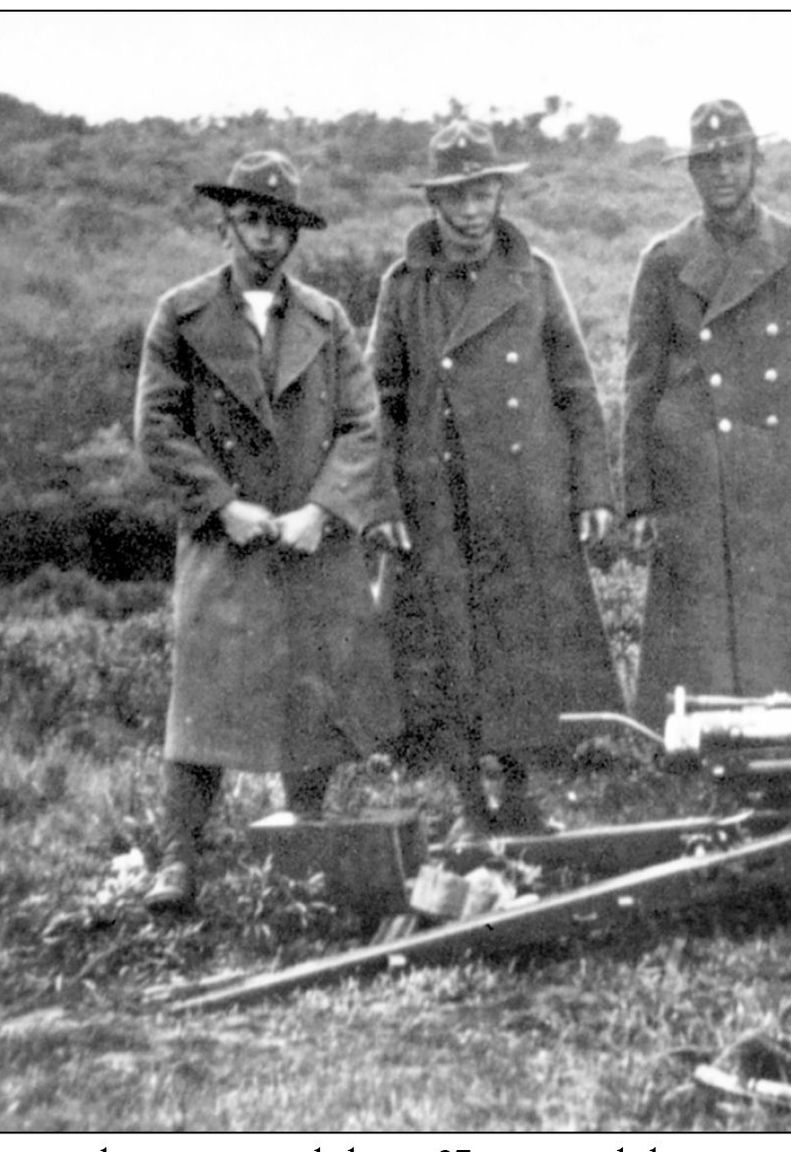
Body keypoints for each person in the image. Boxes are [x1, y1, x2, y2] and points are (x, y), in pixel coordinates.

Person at [135, 151, 403, 912]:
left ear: (295, 235)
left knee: (312, 689)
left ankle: (306, 835)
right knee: (204, 698)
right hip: (225, 539)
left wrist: (323, 511)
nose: (265, 238)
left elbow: (361, 424)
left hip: (309, 537)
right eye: (251, 220)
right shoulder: (180, 315)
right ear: (225, 224)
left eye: (280, 224)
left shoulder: (327, 318)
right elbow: (156, 429)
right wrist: (221, 505)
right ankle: (178, 856)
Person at [367, 120, 622, 841]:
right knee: (451, 650)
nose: (473, 210)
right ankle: (467, 804)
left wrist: (593, 487)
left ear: (500, 191)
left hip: (523, 490)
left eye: (484, 192)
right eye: (458, 196)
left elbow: (575, 384)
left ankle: (519, 793)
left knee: (519, 648)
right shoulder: (403, 285)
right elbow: (377, 401)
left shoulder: (535, 275)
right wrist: (380, 500)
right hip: (438, 498)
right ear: (434, 202)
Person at [622, 99, 791, 733]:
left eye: (735, 158)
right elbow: (641, 382)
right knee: (703, 633)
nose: (723, 173)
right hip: (698, 472)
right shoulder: (665, 259)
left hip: (784, 468)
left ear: (757, 163)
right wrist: (640, 495)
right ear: (691, 173)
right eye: (709, 162)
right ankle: (705, 750)